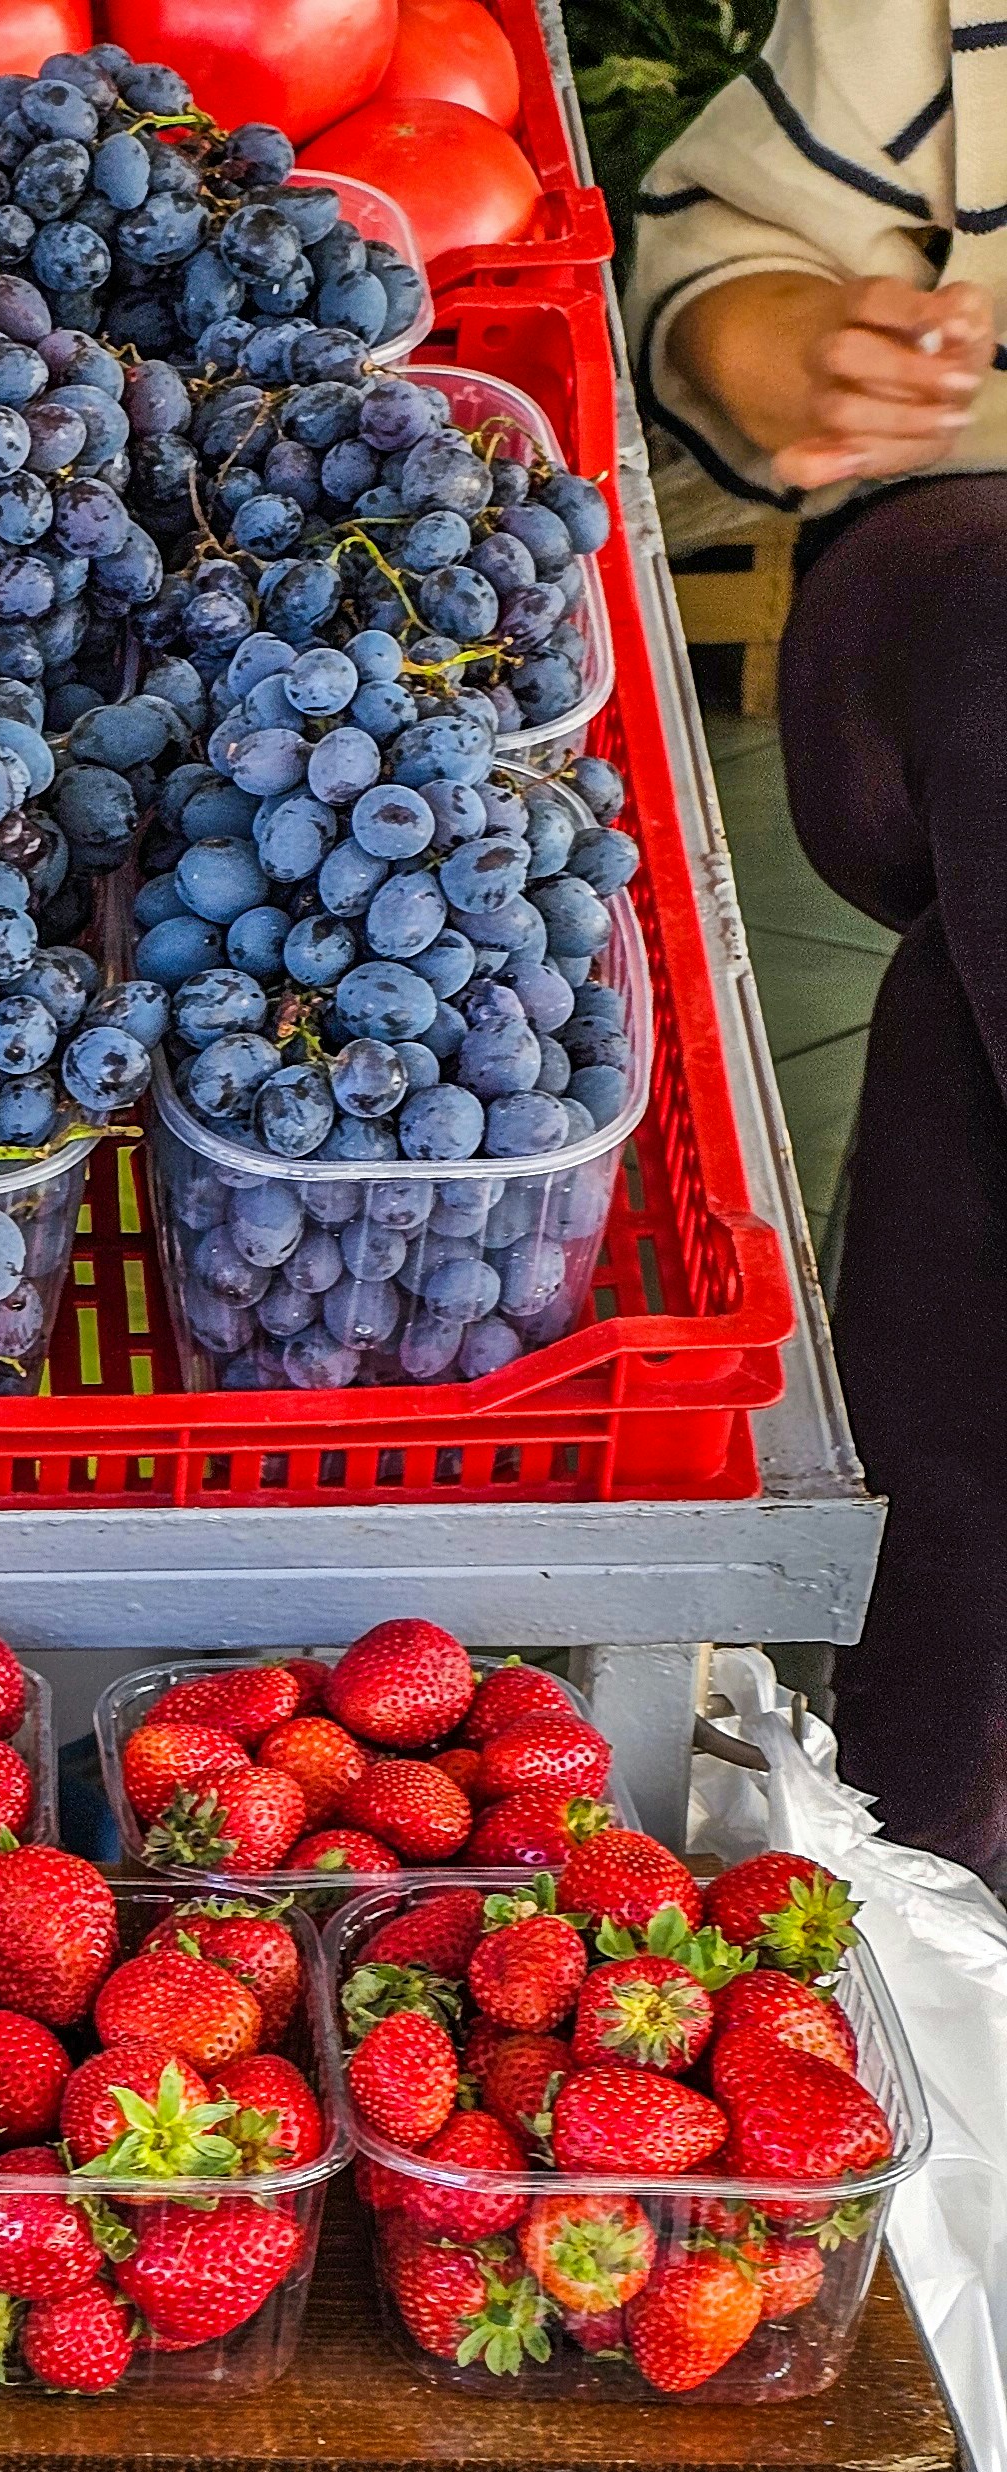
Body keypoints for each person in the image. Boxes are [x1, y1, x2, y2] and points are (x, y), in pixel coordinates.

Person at [632, 5, 1007, 1870]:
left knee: (963, 1057)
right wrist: (777, 344)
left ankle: (923, 1870)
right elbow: (726, 256)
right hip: (965, 591)